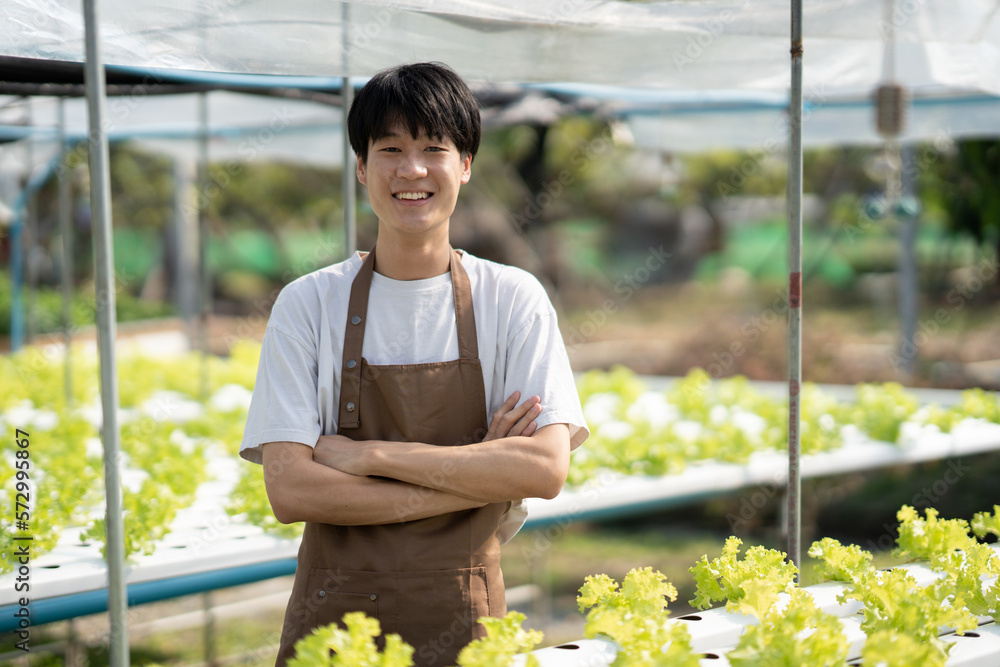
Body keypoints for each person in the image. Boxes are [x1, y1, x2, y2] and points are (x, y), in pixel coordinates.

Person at [239, 62, 588, 667]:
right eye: (390, 148)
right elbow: (291, 488)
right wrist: (480, 475)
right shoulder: (308, 303)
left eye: (434, 148)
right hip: (333, 627)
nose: (412, 169)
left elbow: (543, 469)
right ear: (361, 167)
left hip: (466, 619)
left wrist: (372, 456)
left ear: (467, 165)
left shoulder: (512, 297)